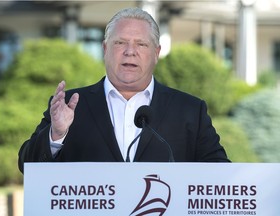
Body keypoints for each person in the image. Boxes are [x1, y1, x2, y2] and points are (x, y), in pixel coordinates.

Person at [18, 7, 230, 173]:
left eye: (141, 44)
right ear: (105, 49)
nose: (130, 52)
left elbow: (218, 173)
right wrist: (57, 134)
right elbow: (28, 166)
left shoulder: (189, 110)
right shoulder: (70, 105)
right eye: (120, 43)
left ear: (156, 53)